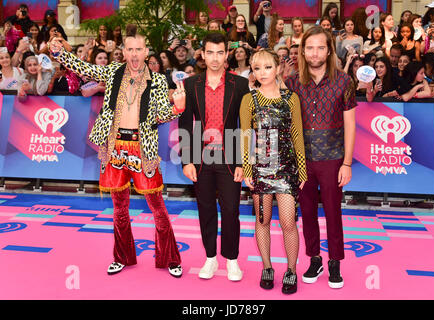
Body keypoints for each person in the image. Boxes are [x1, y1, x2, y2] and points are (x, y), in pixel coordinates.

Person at [48, 32, 186, 278]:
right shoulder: (113, 72)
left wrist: (178, 107)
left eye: (138, 49)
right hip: (113, 146)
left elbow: (161, 115)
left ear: (146, 51)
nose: (134, 54)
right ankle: (121, 257)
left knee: (157, 205)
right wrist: (60, 54)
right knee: (119, 207)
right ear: (124, 52)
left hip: (143, 148)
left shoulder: (158, 80)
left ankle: (170, 258)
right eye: (130, 49)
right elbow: (83, 67)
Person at [285, 26, 357, 289]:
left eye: (320, 47)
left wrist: (347, 163)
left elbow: (350, 125)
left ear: (328, 51)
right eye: (310, 47)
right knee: (306, 212)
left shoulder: (344, 82)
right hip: (301, 160)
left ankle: (335, 261)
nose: (315, 52)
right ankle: (314, 258)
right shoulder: (291, 82)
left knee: (333, 211)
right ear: (302, 51)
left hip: (333, 159)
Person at [178, 32, 249, 282]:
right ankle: (210, 258)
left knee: (231, 210)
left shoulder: (240, 84)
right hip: (201, 157)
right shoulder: (191, 84)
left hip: (230, 156)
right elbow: (186, 123)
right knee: (205, 208)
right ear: (203, 54)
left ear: (227, 54)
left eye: (220, 52)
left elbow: (245, 125)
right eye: (210, 52)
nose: (215, 58)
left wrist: (243, 162)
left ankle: (231, 260)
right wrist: (187, 160)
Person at [240, 49, 307, 294]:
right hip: (260, 169)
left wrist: (302, 170)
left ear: (278, 68)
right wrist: (247, 168)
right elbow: (245, 136)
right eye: (257, 68)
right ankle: (267, 267)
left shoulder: (291, 98)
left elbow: (297, 135)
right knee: (262, 220)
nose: (262, 73)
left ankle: (291, 270)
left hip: (287, 168)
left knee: (289, 222)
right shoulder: (250, 99)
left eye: (267, 67)